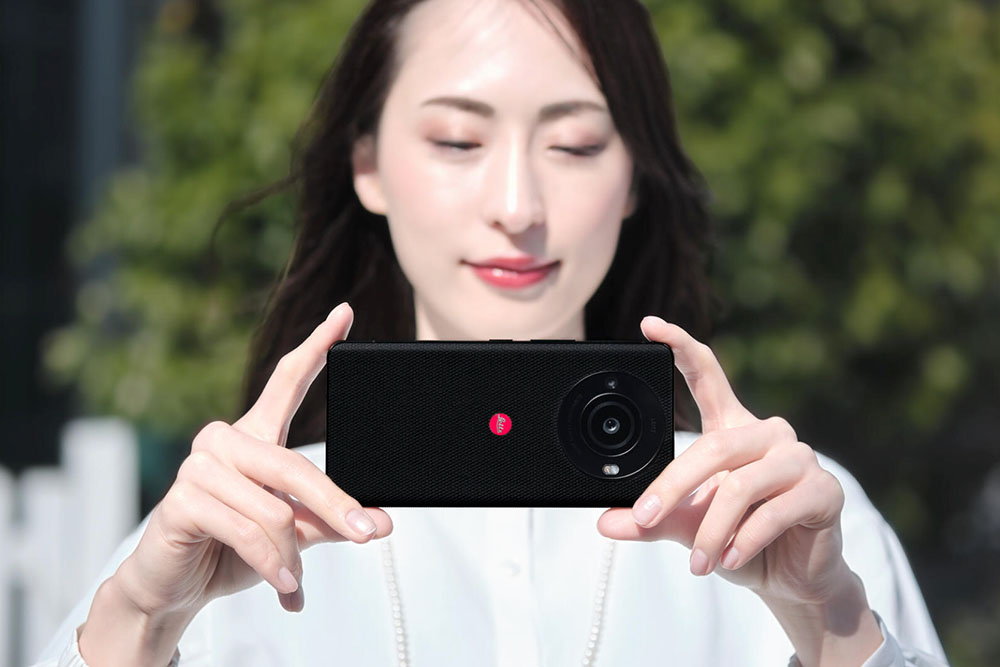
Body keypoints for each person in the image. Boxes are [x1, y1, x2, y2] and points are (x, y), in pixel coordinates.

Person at [34, 0, 951, 665]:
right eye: (457, 141)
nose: (518, 206)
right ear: (367, 164)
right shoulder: (233, 531)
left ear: (635, 177)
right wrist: (138, 623)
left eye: (576, 145)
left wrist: (832, 627)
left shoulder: (787, 523)